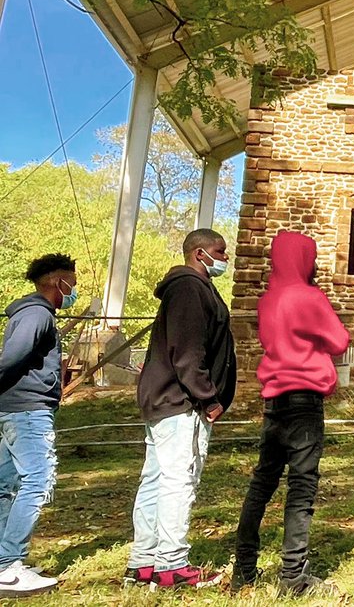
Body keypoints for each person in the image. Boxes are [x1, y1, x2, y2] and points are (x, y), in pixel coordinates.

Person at [233, 231, 350, 593]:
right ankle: (293, 575)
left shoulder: (268, 299)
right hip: (304, 401)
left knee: (262, 483)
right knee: (301, 488)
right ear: (305, 260)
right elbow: (340, 340)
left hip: (275, 401)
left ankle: (244, 568)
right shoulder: (309, 296)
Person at [126, 228, 237, 589]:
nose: (225, 258)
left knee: (155, 479)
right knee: (178, 480)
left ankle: (144, 561)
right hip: (181, 401)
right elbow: (188, 352)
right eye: (220, 252)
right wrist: (208, 397)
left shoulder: (191, 287)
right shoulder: (189, 288)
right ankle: (172, 563)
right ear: (199, 253)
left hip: (166, 399)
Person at [0, 254, 76, 596]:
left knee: (7, 484)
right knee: (38, 481)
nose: (73, 290)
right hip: (28, 412)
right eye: (71, 283)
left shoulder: (30, 313)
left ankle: (4, 561)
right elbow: (12, 358)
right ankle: (9, 565)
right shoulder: (37, 315)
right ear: (56, 281)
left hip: (13, 410)